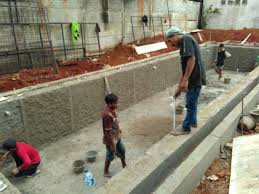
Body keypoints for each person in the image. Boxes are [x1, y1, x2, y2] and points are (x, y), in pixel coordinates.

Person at [165, 26, 206, 136]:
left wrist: (186, 80)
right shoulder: (184, 43)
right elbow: (184, 69)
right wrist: (179, 87)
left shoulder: (186, 39)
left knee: (190, 104)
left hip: (195, 78)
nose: (171, 44)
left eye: (170, 41)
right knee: (192, 102)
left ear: (175, 36)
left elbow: (192, 59)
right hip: (195, 77)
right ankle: (193, 122)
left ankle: (186, 128)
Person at [102, 94, 126, 177]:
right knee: (110, 155)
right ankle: (105, 172)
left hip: (117, 136)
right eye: (116, 103)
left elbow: (115, 121)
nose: (118, 104)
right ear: (110, 104)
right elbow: (108, 133)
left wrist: (118, 129)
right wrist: (112, 145)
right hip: (111, 139)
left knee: (122, 150)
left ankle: (124, 165)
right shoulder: (107, 116)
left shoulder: (113, 110)